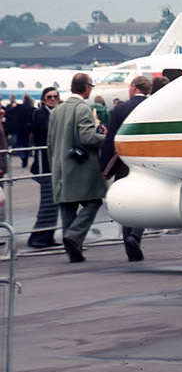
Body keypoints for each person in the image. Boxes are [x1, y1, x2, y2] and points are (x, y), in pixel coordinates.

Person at [48, 73, 108, 262]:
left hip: (60, 166)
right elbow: (87, 138)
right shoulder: (83, 108)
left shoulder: (58, 109)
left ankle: (73, 249)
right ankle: (73, 237)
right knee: (94, 201)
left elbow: (50, 141)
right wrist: (106, 139)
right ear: (85, 87)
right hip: (81, 167)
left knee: (68, 206)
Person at [102, 75, 150, 261]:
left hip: (124, 162)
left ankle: (129, 246)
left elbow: (110, 140)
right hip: (147, 163)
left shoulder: (120, 109)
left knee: (125, 201)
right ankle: (136, 235)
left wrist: (104, 165)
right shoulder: (154, 106)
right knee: (144, 201)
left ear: (133, 87)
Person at [26, 88, 60, 249]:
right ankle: (38, 237)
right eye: (49, 97)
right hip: (44, 165)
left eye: (55, 97)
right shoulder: (40, 114)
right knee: (49, 201)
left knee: (53, 202)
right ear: (44, 100)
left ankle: (47, 235)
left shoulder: (54, 113)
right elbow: (51, 131)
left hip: (51, 164)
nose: (53, 99)